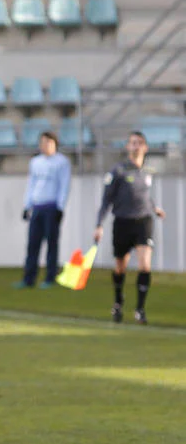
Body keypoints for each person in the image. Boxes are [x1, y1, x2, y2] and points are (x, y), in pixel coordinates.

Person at [94, 131, 166, 324]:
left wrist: (154, 208)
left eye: (139, 143)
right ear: (127, 147)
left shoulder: (147, 172)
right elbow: (106, 200)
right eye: (132, 143)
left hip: (143, 222)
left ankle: (140, 309)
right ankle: (118, 302)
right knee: (120, 267)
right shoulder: (117, 171)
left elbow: (143, 195)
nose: (135, 146)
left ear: (145, 147)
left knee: (145, 265)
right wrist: (99, 224)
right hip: (122, 222)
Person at [14, 131, 71, 289]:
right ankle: (28, 278)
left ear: (54, 144)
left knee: (51, 244)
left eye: (48, 142)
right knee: (33, 244)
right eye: (42, 142)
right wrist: (27, 206)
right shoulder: (36, 162)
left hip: (51, 206)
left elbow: (64, 185)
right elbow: (31, 185)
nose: (45, 146)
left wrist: (60, 207)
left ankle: (50, 277)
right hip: (37, 207)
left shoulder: (62, 162)